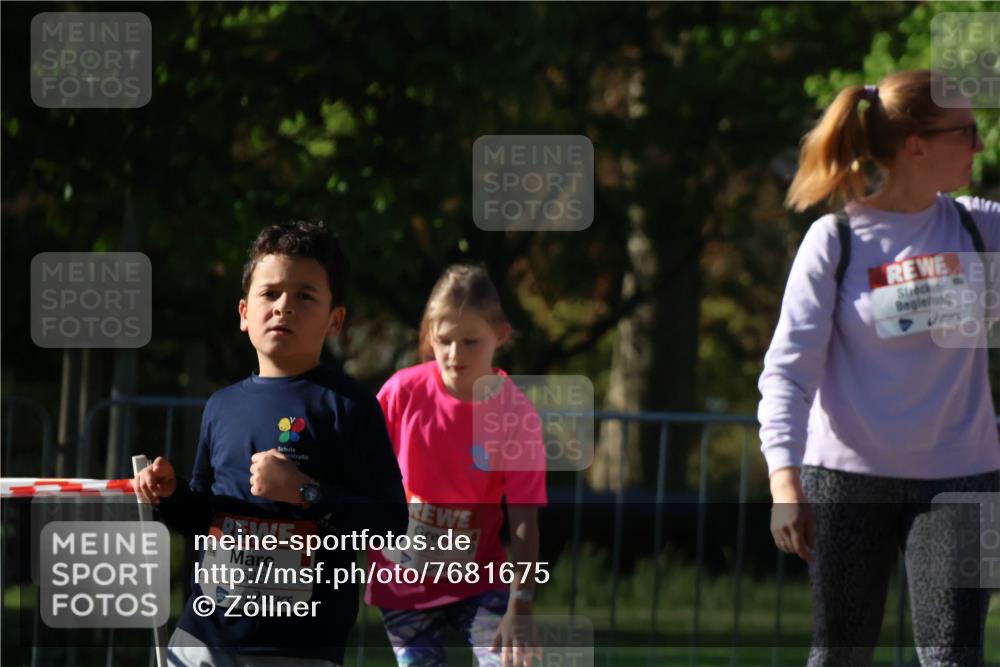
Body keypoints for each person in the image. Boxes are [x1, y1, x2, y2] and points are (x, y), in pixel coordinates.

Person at [758, 68, 1000, 667]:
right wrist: (783, 478)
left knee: (954, 657)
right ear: (917, 145)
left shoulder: (978, 228)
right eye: (965, 132)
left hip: (962, 480)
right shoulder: (835, 242)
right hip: (847, 480)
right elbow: (788, 369)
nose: (979, 145)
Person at [134, 222, 408, 667]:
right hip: (207, 637)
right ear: (244, 313)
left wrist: (306, 493)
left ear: (335, 320)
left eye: (304, 296)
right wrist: (171, 494)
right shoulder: (221, 406)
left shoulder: (350, 406)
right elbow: (205, 516)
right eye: (270, 293)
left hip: (301, 646)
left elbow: (389, 523)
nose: (284, 306)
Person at [365, 264, 548, 667]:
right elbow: (358, 469)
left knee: (508, 662)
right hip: (404, 585)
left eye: (470, 342)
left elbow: (524, 518)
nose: (454, 354)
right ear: (429, 333)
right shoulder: (400, 393)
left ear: (500, 336)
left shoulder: (515, 415)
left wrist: (522, 607)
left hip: (478, 582)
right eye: (444, 340)